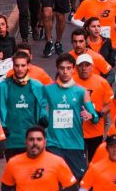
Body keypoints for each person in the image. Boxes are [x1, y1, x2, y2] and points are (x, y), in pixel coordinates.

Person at [44, 53, 100, 181]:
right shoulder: (47, 89)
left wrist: (90, 115)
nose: (65, 72)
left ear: (73, 69)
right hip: (53, 144)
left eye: (68, 68)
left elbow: (96, 118)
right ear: (57, 69)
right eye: (62, 68)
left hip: (75, 144)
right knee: (55, 182)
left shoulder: (81, 91)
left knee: (78, 182)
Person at [0, 50, 48, 158]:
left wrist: (43, 116)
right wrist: (1, 125)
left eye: (23, 65)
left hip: (33, 139)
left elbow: (43, 105)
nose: (20, 69)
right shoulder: (3, 87)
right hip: (12, 140)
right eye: (17, 65)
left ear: (28, 66)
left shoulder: (37, 86)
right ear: (12, 66)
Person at [1, 126, 77, 191]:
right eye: (31, 139)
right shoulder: (13, 162)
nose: (35, 143)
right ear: (26, 142)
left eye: (39, 139)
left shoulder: (57, 162)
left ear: (45, 142)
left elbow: (72, 187)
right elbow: (5, 188)